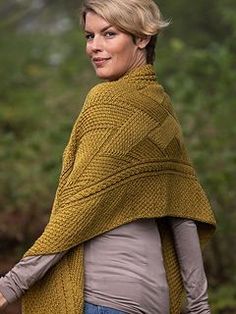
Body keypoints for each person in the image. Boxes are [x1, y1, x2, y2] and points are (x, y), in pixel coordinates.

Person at [0, 0, 216, 313]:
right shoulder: (160, 110)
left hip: (102, 299)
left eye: (109, 34)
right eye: (90, 36)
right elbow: (183, 217)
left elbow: (78, 210)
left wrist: (10, 285)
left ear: (142, 38)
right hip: (155, 301)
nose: (95, 47)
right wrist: (199, 306)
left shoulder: (106, 102)